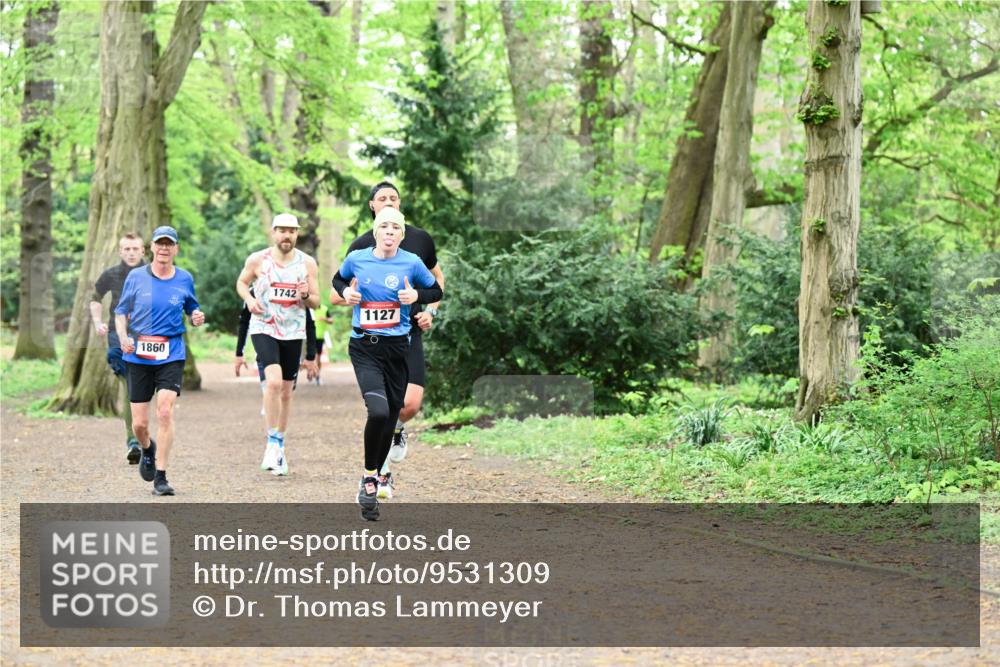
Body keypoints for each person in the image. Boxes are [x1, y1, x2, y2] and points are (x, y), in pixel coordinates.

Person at [332, 181, 445, 495]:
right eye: (381, 199)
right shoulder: (359, 249)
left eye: (393, 198)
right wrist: (349, 296)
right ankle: (378, 473)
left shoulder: (419, 241)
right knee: (381, 409)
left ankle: (397, 429)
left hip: (406, 334)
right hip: (369, 340)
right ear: (372, 207)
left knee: (408, 406)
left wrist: (429, 310)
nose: (388, 202)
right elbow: (337, 288)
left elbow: (438, 281)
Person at [115, 226, 205, 496]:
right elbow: (121, 313)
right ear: (152, 247)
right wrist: (122, 337)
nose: (164, 248)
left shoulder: (185, 278)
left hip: (171, 353)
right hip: (138, 355)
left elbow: (192, 308)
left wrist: (197, 316)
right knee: (139, 425)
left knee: (165, 412)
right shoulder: (136, 277)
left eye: (170, 244)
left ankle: (161, 477)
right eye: (160, 243)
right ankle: (147, 448)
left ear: (176, 249)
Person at [236, 213, 320, 476]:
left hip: (293, 331)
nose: (287, 236)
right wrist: (250, 301)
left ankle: (280, 443)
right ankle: (271, 441)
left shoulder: (307, 263)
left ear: (297, 234)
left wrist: (306, 294)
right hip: (264, 326)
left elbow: (316, 302)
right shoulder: (258, 259)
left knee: (286, 391)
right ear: (273, 232)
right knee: (272, 382)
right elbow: (241, 282)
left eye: (292, 231)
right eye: (282, 230)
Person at [90, 233, 146, 464]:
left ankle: (142, 436)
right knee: (131, 387)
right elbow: (95, 298)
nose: (131, 252)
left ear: (143, 251)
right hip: (117, 338)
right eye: (127, 249)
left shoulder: (155, 274)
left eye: (135, 248)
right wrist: (97, 322)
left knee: (144, 392)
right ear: (120, 251)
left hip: (149, 338)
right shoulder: (111, 274)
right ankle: (133, 441)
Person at [235, 291, 318, 416]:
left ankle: (278, 429)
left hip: (291, 341)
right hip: (265, 338)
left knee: (286, 392)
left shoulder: (296, 288)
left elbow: (310, 323)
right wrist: (239, 352)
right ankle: (271, 417)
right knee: (272, 384)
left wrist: (311, 356)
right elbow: (244, 322)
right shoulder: (254, 291)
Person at [312, 300, 333, 385]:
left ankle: (317, 376)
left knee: (318, 357)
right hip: (309, 337)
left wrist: (324, 319)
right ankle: (310, 372)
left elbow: (331, 321)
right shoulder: (309, 309)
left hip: (320, 337)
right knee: (309, 357)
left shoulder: (325, 309)